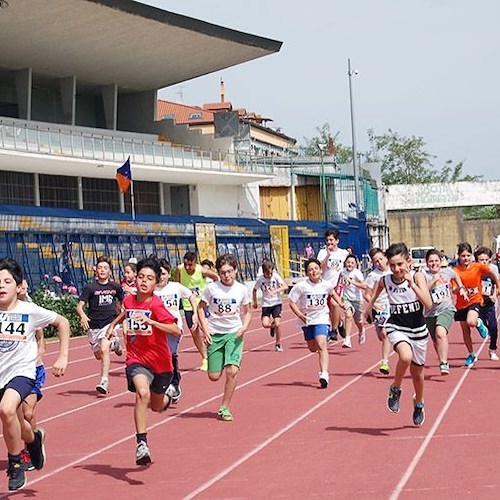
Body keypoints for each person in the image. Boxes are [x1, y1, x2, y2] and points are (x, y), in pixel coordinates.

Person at [0, 258, 69, 491]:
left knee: (7, 409)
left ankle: (16, 465)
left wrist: (63, 357)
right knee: (20, 422)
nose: (1, 286)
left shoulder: (28, 310)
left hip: (22, 372)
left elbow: (63, 322)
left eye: (7, 281)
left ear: (18, 287)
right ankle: (33, 439)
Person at [106, 258, 180, 466]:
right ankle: (142, 444)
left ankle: (167, 398)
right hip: (137, 358)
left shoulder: (156, 304)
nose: (143, 282)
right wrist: (112, 326)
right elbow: (125, 313)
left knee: (156, 406)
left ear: (156, 283)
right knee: (142, 393)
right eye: (140, 277)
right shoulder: (129, 300)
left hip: (161, 363)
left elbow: (176, 330)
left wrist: (152, 322)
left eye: (149, 279)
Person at [365, 243, 432, 426]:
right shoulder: (385, 280)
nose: (396, 269)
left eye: (400, 264)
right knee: (405, 356)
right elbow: (374, 292)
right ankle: (396, 388)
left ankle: (419, 402)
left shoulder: (418, 277)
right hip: (397, 326)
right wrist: (369, 309)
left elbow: (428, 303)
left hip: (417, 329)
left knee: (418, 374)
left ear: (408, 262)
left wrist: (411, 284)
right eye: (392, 265)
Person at [197, 254, 251, 421]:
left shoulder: (241, 289)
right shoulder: (212, 289)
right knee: (214, 376)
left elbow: (248, 311)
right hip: (215, 333)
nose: (226, 276)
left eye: (229, 272)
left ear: (235, 270)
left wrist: (244, 327)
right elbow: (200, 308)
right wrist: (205, 329)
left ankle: (224, 407)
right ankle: (217, 361)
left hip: (234, 334)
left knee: (232, 371)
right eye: (222, 272)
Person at [289, 258, 345, 389]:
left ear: (320, 270)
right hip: (307, 320)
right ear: (307, 273)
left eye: (316, 268)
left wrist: (341, 303)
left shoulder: (326, 284)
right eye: (310, 270)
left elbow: (333, 293)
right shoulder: (301, 286)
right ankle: (323, 370)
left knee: (321, 345)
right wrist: (300, 315)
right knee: (313, 348)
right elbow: (291, 302)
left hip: (322, 318)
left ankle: (324, 374)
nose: (313, 271)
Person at [76, 256, 124, 395]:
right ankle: (115, 345)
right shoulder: (90, 287)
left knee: (104, 350)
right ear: (95, 270)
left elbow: (123, 302)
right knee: (98, 355)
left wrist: (120, 310)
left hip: (109, 323)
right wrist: (83, 315)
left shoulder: (115, 287)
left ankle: (104, 381)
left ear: (110, 271)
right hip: (94, 326)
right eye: (100, 268)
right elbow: (79, 306)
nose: (103, 270)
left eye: (106, 268)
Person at [155, 258, 198, 403]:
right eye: (158, 274)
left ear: (169, 274)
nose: (161, 277)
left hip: (174, 328)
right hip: (157, 328)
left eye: (164, 274)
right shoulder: (151, 290)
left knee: (169, 354)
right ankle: (168, 383)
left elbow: (191, 296)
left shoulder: (176, 287)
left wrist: (195, 314)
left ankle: (174, 383)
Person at [420, 249, 468, 375]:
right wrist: (433, 281)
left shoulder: (446, 271)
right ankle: (441, 358)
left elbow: (455, 275)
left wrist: (461, 287)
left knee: (440, 333)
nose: (434, 263)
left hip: (446, 309)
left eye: (436, 261)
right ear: (426, 263)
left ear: (441, 262)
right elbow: (423, 291)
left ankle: (444, 362)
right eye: (431, 261)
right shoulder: (423, 275)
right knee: (436, 341)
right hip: (430, 313)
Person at [453, 242, 500, 367]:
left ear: (471, 256)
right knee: (465, 330)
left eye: (468, 255)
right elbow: (453, 288)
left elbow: (492, 274)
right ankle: (471, 354)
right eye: (463, 256)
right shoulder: (455, 271)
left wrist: (497, 288)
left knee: (471, 321)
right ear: (458, 256)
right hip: (461, 303)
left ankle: (479, 323)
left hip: (475, 300)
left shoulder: (477, 267)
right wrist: (460, 289)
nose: (466, 258)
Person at [17, 280, 46, 472]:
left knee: (27, 412)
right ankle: (36, 436)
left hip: (32, 369)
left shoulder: (31, 308)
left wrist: (40, 353)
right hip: (10, 370)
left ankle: (30, 448)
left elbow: (40, 337)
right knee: (14, 414)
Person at [177, 252, 219, 371]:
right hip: (188, 305)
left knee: (206, 329)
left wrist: (213, 292)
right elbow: (178, 284)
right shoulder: (180, 269)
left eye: (190, 265)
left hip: (201, 305)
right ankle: (205, 358)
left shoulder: (202, 271)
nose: (188, 267)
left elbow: (216, 277)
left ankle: (215, 352)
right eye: (186, 264)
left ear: (195, 263)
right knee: (194, 332)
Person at [363, 248, 392, 375]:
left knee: (385, 334)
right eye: (376, 261)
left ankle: (384, 362)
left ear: (386, 257)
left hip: (392, 306)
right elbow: (367, 295)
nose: (379, 262)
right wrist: (374, 305)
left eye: (381, 259)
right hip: (379, 308)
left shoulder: (394, 270)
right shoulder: (373, 276)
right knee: (381, 336)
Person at [316, 229, 349, 340]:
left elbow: (351, 262)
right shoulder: (322, 252)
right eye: (327, 240)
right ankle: (339, 323)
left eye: (331, 240)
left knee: (335, 304)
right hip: (325, 285)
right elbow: (320, 268)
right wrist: (327, 256)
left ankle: (333, 330)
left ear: (337, 241)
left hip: (337, 284)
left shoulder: (343, 253)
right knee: (330, 309)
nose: (329, 242)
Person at [252, 259, 288, 351]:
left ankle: (278, 344)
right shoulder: (260, 279)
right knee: (264, 324)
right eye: (268, 274)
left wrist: (276, 291)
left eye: (271, 273)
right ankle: (272, 327)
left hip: (276, 303)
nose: (270, 275)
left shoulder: (275, 277)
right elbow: (254, 290)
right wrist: (255, 302)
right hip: (266, 304)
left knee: (278, 323)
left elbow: (285, 286)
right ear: (263, 272)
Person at [474, 246, 499, 361]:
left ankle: (492, 350)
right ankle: (486, 330)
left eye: (486, 260)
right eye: (481, 260)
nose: (484, 262)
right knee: (482, 324)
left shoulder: (492, 270)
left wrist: (495, 295)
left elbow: (496, 284)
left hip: (490, 304)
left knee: (494, 326)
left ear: (489, 260)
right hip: (478, 303)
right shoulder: (474, 271)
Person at [337, 254, 367, 348]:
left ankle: (361, 330)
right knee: (348, 314)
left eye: (352, 263)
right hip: (346, 298)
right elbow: (338, 283)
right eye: (348, 262)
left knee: (358, 321)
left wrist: (352, 282)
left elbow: (364, 286)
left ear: (355, 264)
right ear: (345, 263)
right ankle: (347, 339)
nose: (350, 264)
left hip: (357, 299)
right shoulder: (342, 272)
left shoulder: (357, 273)